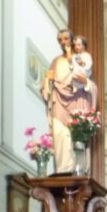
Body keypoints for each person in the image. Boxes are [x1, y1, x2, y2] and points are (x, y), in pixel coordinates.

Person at [40, 29, 97, 174]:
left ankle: (76, 169)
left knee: (75, 136)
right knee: (60, 134)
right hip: (59, 101)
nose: (62, 43)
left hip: (77, 102)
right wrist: (46, 86)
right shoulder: (56, 61)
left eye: (65, 39)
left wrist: (85, 82)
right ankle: (62, 170)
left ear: (72, 41)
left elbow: (91, 85)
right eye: (60, 40)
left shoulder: (81, 60)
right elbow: (48, 78)